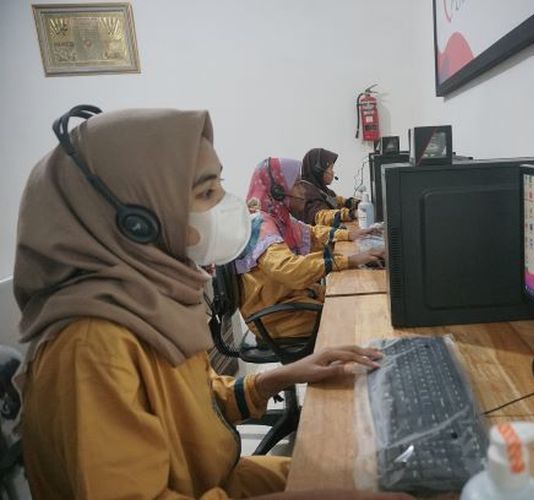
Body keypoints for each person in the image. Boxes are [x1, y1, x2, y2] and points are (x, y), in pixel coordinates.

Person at [14, 106, 408, 500]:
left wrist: (285, 375)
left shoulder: (149, 304)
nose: (225, 205)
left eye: (219, 186)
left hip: (215, 480)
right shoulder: (91, 347)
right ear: (136, 221)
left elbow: (197, 403)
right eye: (205, 193)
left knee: (380, 473)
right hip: (208, 488)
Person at [237, 157, 383, 341]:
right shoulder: (259, 225)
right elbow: (289, 269)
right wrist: (349, 260)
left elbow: (311, 233)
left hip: (292, 298)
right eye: (297, 184)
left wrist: (350, 235)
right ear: (278, 191)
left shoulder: (277, 217)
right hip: (275, 316)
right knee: (353, 316)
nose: (303, 190)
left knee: (356, 299)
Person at [293, 148, 360, 226]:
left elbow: (337, 201)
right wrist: (351, 214)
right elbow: (321, 216)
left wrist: (357, 203)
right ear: (318, 170)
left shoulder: (321, 189)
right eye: (330, 168)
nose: (333, 172)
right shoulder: (306, 192)